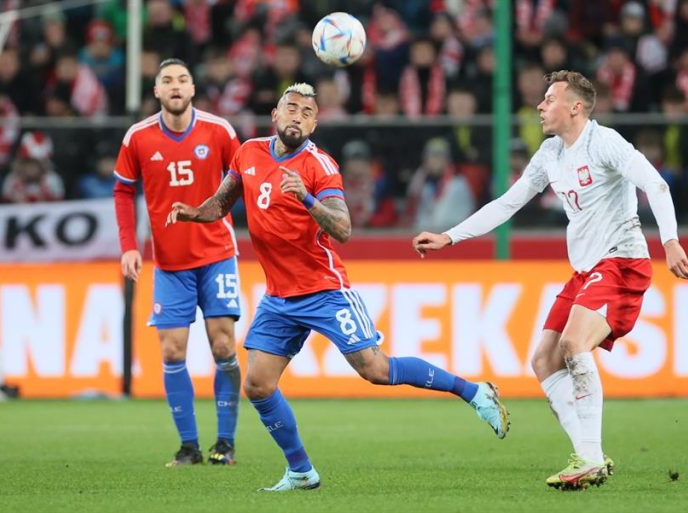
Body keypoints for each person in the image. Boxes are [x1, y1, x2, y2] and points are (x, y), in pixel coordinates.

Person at [166, 83, 509, 491]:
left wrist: (308, 199)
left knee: (376, 370)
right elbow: (222, 204)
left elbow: (343, 229)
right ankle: (300, 471)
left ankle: (475, 393)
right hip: (279, 297)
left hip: (325, 289)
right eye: (290, 108)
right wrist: (193, 213)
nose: (297, 115)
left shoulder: (319, 166)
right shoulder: (248, 153)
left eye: (307, 112)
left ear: (314, 123)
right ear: (274, 115)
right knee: (257, 383)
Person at [412, 70, 688, 490]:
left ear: (575, 107)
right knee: (543, 360)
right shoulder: (549, 153)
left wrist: (669, 240)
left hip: (622, 262)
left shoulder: (605, 143)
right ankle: (589, 454)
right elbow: (508, 202)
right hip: (585, 271)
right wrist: (451, 236)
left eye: (549, 99)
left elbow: (655, 183)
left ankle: (589, 455)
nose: (541, 106)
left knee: (573, 344)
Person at [113, 58, 242, 467]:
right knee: (172, 352)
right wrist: (129, 245)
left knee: (222, 344)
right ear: (156, 91)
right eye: (167, 80)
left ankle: (226, 443)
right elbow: (122, 192)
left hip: (217, 255)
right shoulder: (138, 138)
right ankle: (189, 447)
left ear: (193, 89)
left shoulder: (219, 131)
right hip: (169, 263)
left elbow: (243, 178)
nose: (175, 86)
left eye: (182, 79)